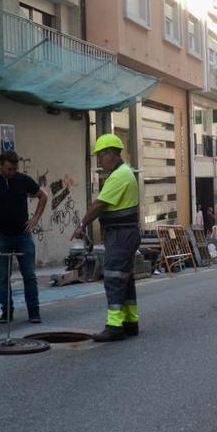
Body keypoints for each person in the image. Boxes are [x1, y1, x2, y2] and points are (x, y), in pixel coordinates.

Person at [72, 134, 140, 342]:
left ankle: (114, 326)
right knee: (124, 279)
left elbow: (100, 204)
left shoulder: (119, 176)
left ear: (111, 153)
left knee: (113, 278)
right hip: (124, 234)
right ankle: (130, 321)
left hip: (120, 235)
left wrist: (82, 225)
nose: (99, 161)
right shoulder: (123, 173)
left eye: (101, 156)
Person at [0, 150, 48, 324]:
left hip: (23, 234)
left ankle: (34, 311)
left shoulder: (23, 180)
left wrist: (35, 219)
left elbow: (43, 196)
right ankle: (6, 311)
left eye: (15, 169)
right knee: (3, 277)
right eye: (8, 169)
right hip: (0, 235)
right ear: (0, 165)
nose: (12, 172)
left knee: (29, 275)